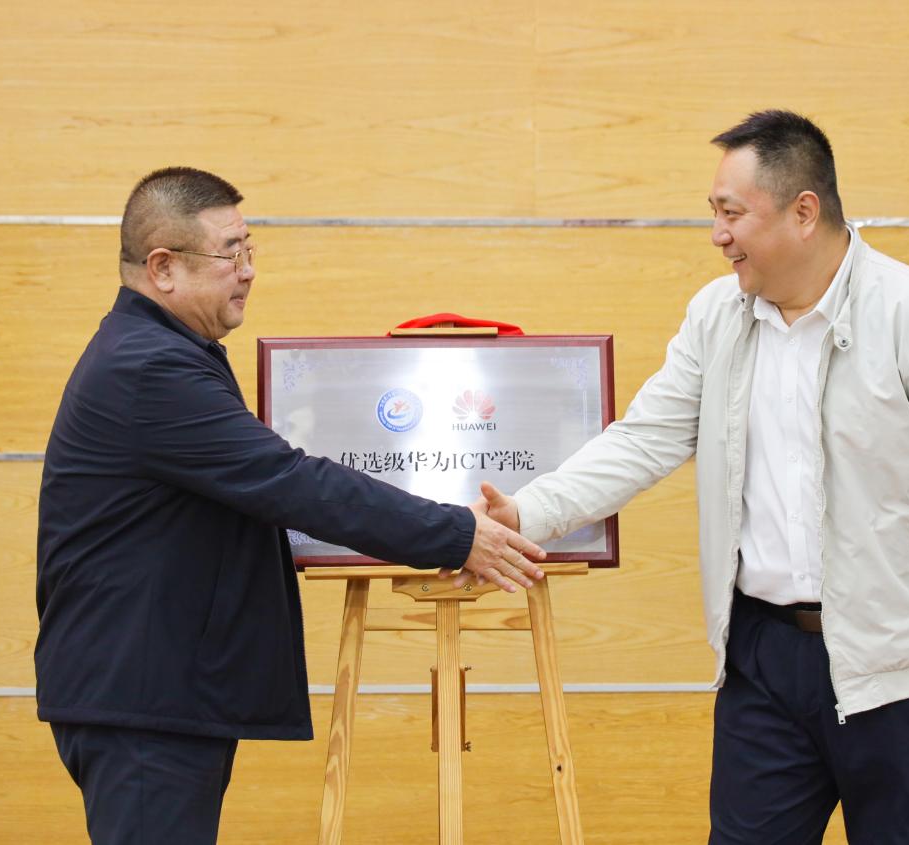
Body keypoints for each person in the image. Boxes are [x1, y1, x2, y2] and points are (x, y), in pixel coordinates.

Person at [455, 111, 909, 843]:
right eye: (713, 213)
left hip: (905, 670)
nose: (717, 235)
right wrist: (525, 513)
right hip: (763, 660)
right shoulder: (716, 315)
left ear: (804, 212)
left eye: (731, 214)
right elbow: (643, 439)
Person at [34, 166, 546, 845]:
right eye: (230, 253)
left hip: (152, 692)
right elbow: (290, 481)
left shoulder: (162, 351)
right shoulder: (148, 368)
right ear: (163, 268)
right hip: (141, 699)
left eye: (250, 249)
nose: (248, 271)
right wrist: (455, 533)